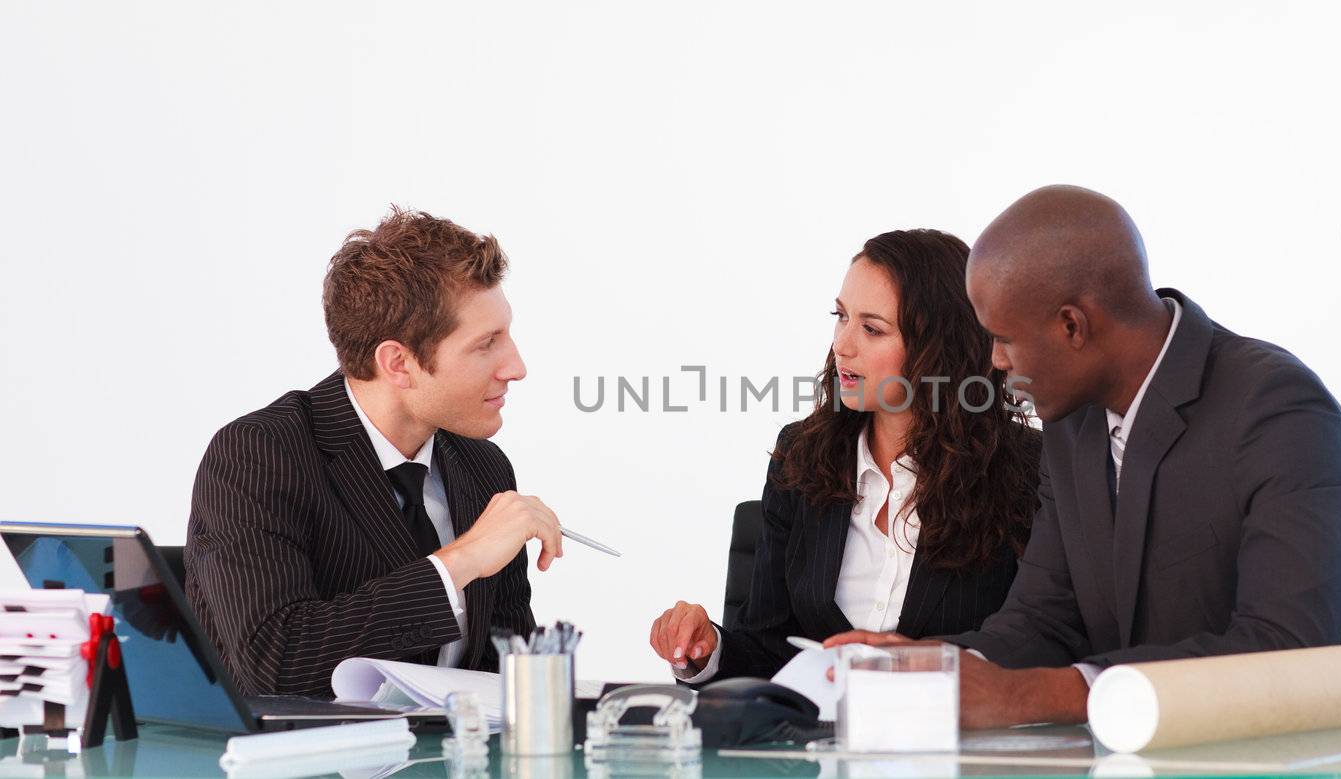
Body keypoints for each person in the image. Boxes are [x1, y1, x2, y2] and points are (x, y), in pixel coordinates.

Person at [826, 186, 1341, 727]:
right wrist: (930, 662)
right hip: (1153, 746)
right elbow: (1044, 620)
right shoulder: (1073, 418)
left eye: (1003, 338)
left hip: (1320, 752)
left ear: (1073, 326)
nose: (995, 362)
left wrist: (1033, 695)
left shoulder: (1278, 411)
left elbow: (1283, 647)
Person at [186, 208, 562, 697]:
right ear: (398, 363)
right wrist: (461, 561)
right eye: (486, 344)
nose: (517, 367)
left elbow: (502, 675)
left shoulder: (482, 466)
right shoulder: (258, 454)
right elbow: (275, 663)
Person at [648, 229, 1041, 683]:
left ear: (941, 348)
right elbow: (767, 648)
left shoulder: (1027, 470)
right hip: (821, 743)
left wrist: (924, 662)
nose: (842, 344)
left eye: (872, 328)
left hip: (960, 742)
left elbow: (1037, 641)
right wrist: (707, 650)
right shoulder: (801, 456)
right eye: (841, 317)